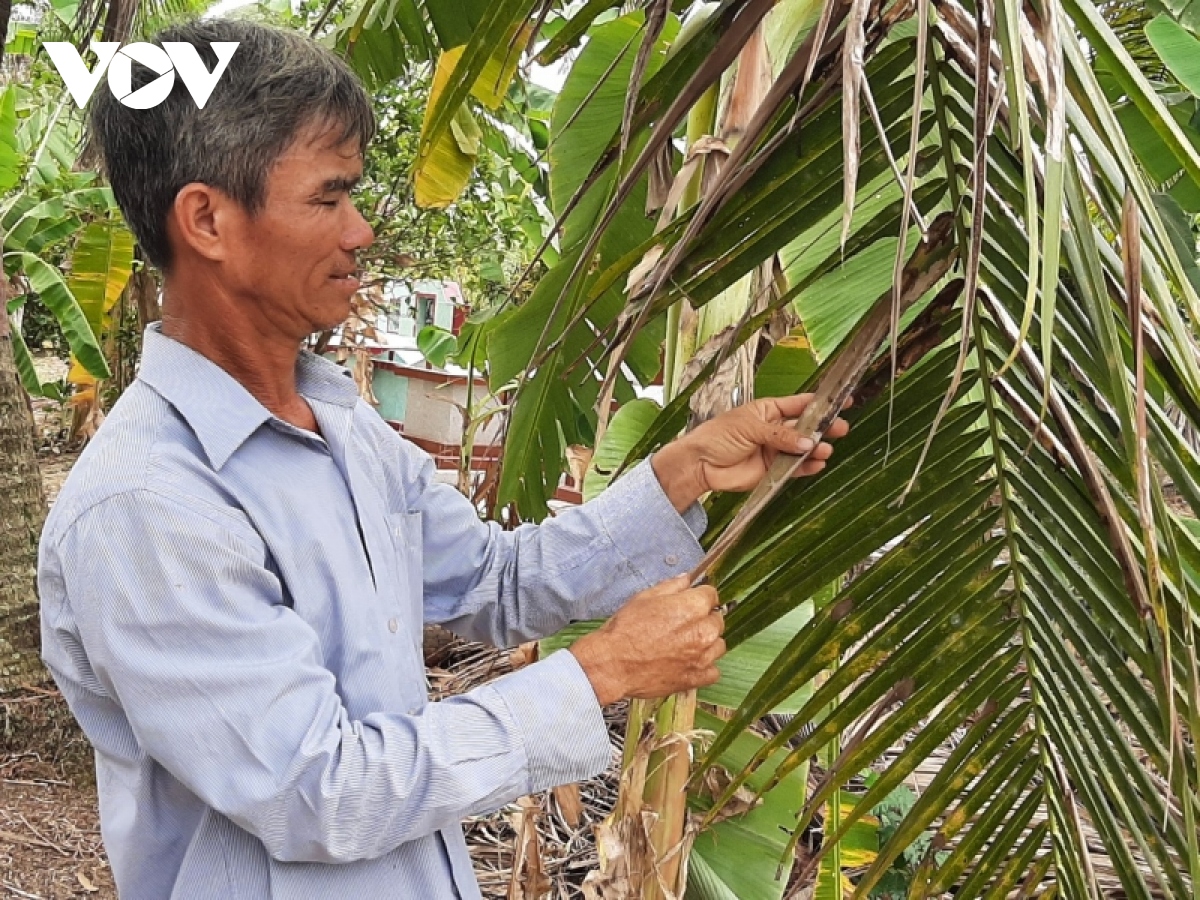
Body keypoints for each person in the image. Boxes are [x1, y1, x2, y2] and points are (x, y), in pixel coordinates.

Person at [37, 19, 849, 900]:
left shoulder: (343, 432)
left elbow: (498, 583)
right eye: (329, 197)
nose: (362, 232)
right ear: (207, 219)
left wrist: (683, 471)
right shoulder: (148, 505)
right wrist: (601, 671)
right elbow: (321, 791)